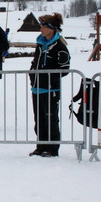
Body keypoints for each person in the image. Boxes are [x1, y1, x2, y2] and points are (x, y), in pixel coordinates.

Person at [29, 12, 70, 157]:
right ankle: (40, 146)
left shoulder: (60, 46)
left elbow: (64, 69)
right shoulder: (40, 44)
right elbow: (35, 62)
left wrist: (48, 77)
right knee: (39, 120)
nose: (41, 29)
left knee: (51, 119)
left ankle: (52, 148)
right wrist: (32, 74)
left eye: (44, 26)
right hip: (37, 88)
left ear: (52, 28)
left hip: (51, 90)